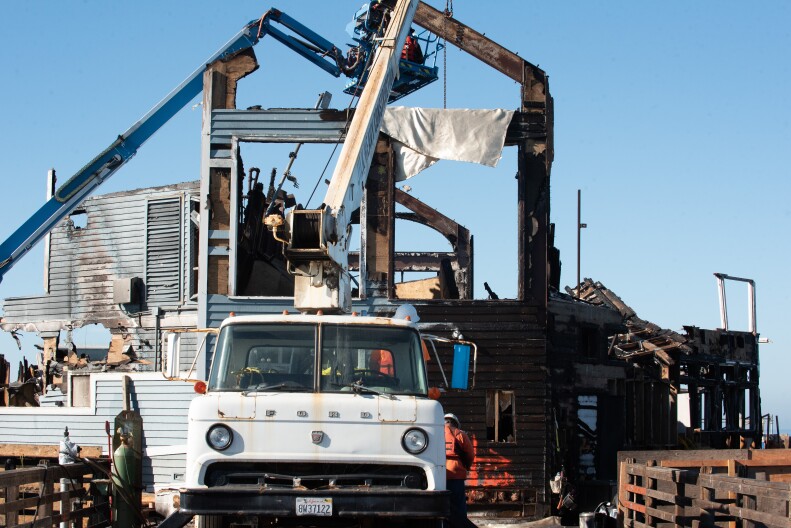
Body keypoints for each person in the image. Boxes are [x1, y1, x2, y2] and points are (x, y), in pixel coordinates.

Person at [444, 413, 476, 528]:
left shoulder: (434, 434)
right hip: (456, 474)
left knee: (441, 504)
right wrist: (466, 466)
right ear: (455, 423)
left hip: (437, 475)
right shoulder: (460, 434)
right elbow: (470, 454)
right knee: (458, 505)